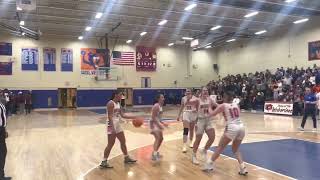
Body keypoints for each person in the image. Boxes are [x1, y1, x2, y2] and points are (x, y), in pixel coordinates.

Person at [202, 91, 248, 176]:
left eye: (223, 97)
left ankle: (209, 164)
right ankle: (243, 167)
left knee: (220, 147)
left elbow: (211, 114)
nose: (222, 98)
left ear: (225, 97)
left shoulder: (223, 105)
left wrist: (209, 106)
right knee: (235, 149)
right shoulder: (236, 105)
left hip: (232, 128)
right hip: (241, 127)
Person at [99, 90, 138, 169]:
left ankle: (126, 158)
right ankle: (104, 161)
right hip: (110, 125)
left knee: (123, 141)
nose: (122, 96)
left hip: (117, 124)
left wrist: (133, 117)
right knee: (110, 144)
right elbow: (110, 116)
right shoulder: (110, 103)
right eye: (121, 95)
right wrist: (113, 128)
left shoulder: (118, 104)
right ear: (116, 95)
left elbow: (123, 115)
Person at [191, 87, 215, 165]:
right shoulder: (198, 100)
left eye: (206, 90)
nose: (205, 92)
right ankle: (194, 156)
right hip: (200, 121)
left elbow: (217, 105)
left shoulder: (210, 99)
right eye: (204, 90)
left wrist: (225, 106)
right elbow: (191, 104)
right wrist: (193, 107)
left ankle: (204, 150)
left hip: (208, 120)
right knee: (198, 139)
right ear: (201, 92)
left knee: (212, 137)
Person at [177, 89, 198, 153]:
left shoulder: (195, 98)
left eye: (189, 91)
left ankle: (191, 142)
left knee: (192, 129)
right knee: (186, 129)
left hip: (193, 114)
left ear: (191, 92)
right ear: (185, 93)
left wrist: (196, 111)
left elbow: (198, 107)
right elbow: (181, 107)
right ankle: (184, 145)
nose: (188, 92)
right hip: (186, 113)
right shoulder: (183, 98)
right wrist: (178, 115)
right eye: (187, 91)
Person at [150, 94, 167, 161]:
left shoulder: (161, 106)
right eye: (162, 97)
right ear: (158, 99)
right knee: (158, 138)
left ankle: (155, 152)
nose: (164, 98)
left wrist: (163, 123)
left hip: (157, 124)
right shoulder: (156, 106)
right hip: (154, 124)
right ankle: (154, 155)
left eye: (163, 97)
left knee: (161, 139)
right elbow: (153, 117)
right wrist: (159, 125)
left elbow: (159, 118)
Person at [0, 101, 11, 180]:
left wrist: (4, 130)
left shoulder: (1, 104)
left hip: (1, 130)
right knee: (2, 152)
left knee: (3, 152)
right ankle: (1, 175)